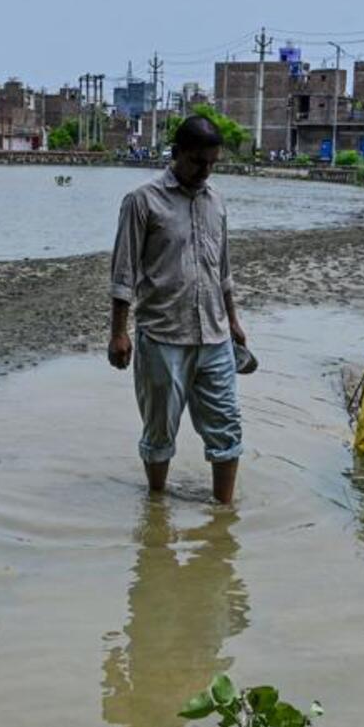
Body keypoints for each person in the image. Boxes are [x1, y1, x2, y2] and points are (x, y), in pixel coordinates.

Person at [108, 114, 245, 504]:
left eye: (212, 163)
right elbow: (124, 273)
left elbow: (223, 270)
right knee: (159, 432)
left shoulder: (215, 201)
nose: (205, 171)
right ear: (178, 154)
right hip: (163, 335)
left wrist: (233, 321)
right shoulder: (142, 201)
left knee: (227, 427)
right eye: (198, 162)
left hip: (215, 336)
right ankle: (156, 508)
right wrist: (119, 333)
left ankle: (224, 512)